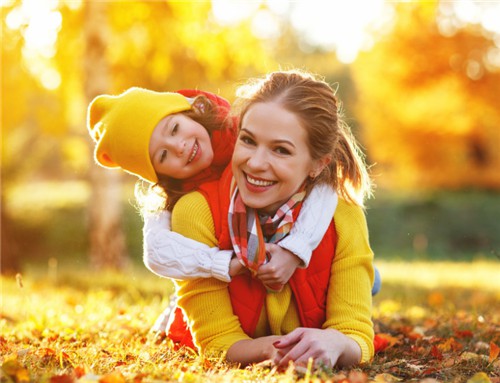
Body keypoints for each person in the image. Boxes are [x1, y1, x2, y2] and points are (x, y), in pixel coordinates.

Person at [170, 70, 375, 369]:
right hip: (197, 310)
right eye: (249, 140)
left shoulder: (343, 216)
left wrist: (335, 342)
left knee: (363, 280)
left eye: (281, 150)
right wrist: (279, 350)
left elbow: (355, 333)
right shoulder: (196, 212)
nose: (255, 163)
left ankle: (369, 278)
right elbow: (216, 343)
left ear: (317, 165)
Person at [87, 86, 338, 289]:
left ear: (189, 112)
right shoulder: (177, 198)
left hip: (300, 253)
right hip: (241, 284)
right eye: (163, 155)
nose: (179, 147)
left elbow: (324, 185)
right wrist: (219, 263)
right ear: (160, 175)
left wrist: (295, 250)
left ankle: (359, 278)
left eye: (174, 129)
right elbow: (156, 250)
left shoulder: (245, 133)